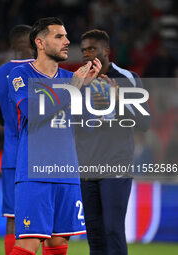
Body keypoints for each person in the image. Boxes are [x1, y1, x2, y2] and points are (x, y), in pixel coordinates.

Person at [8, 17, 102, 255]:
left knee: (58, 244)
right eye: (59, 36)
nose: (67, 41)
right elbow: (32, 111)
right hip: (34, 174)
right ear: (40, 42)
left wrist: (88, 91)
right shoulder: (20, 74)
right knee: (28, 243)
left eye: (66, 36)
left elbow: (87, 128)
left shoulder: (70, 79)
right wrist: (74, 88)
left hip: (67, 173)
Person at [76, 29, 151, 255]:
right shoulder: (79, 83)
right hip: (87, 167)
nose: (87, 54)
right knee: (95, 235)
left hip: (115, 165)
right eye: (84, 50)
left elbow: (144, 122)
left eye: (92, 49)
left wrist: (117, 99)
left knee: (113, 229)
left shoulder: (128, 79)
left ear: (106, 51)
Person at [0, 25, 34, 255]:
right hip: (41, 155)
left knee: (13, 217)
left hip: (12, 155)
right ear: (35, 42)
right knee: (44, 217)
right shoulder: (44, 72)